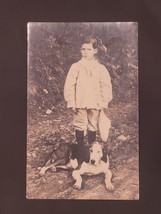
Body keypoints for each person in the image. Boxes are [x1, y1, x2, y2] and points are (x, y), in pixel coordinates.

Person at [64, 36, 112, 145]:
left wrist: (104, 101)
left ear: (95, 51)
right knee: (80, 123)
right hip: (80, 100)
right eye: (83, 49)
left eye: (89, 49)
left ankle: (92, 148)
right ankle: (80, 149)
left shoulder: (100, 68)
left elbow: (105, 85)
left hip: (95, 100)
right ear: (80, 50)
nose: (86, 52)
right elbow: (69, 85)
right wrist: (71, 101)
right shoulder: (76, 67)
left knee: (93, 123)